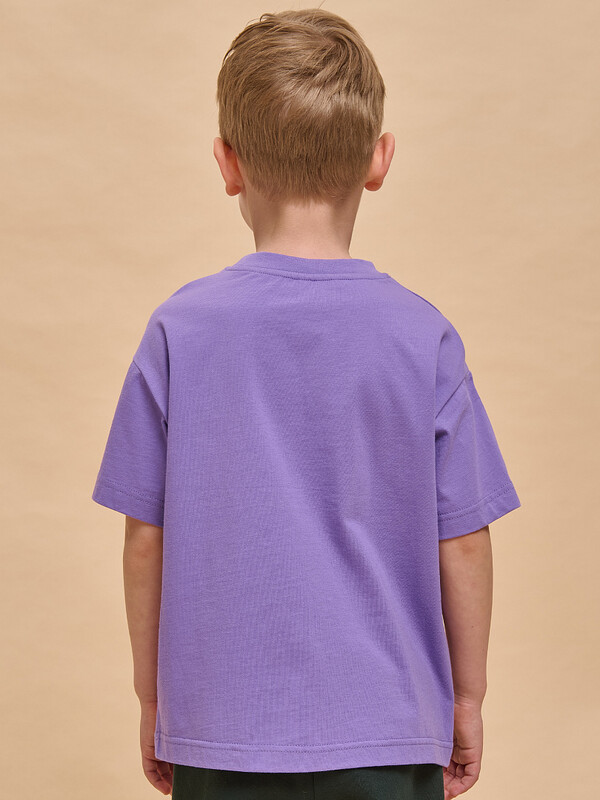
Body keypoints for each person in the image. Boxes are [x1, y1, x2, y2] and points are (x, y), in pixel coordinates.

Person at [91, 8, 521, 800]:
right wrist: (467, 699)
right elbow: (462, 540)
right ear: (379, 160)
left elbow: (146, 538)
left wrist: (155, 700)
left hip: (221, 733)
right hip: (389, 730)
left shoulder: (179, 330)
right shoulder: (421, 336)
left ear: (227, 163)